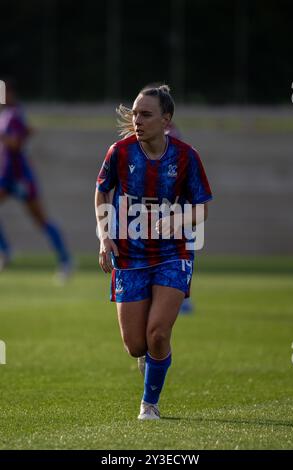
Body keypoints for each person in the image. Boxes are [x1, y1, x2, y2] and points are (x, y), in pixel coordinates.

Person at [95, 84, 212, 420]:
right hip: (130, 255)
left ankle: (149, 404)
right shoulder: (119, 152)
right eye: (134, 113)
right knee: (136, 345)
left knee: (158, 332)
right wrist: (105, 237)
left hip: (173, 254)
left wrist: (179, 217)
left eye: (145, 114)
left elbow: (202, 208)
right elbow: (101, 193)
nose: (137, 120)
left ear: (166, 119)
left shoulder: (187, 156)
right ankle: (149, 360)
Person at [0, 79, 72, 279]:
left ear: (10, 93)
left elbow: (14, 143)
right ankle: (5, 250)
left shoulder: (15, 114)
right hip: (7, 175)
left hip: (21, 177)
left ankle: (66, 260)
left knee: (41, 220)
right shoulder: (6, 115)